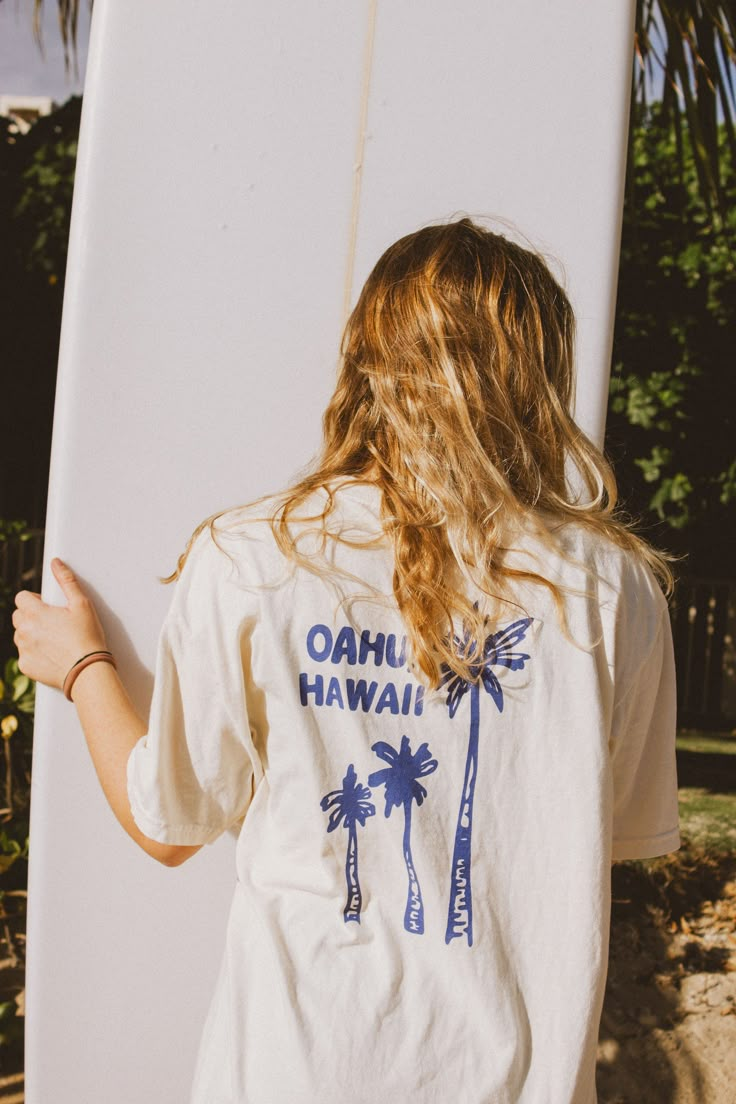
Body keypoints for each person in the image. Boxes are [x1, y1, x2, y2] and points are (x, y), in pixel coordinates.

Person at [13, 217, 681, 1103]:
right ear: (540, 375)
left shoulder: (253, 559)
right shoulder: (611, 591)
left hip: (293, 1076)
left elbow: (167, 825)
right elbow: (599, 843)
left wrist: (84, 665)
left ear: (367, 361)